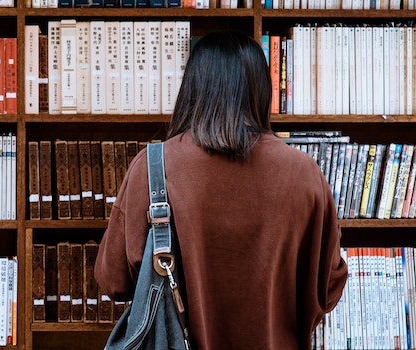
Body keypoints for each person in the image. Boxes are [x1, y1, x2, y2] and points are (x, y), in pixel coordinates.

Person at [94, 31, 347, 349]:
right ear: (260, 90)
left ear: (192, 89)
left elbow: (113, 281)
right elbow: (329, 287)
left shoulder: (153, 167)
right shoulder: (304, 173)